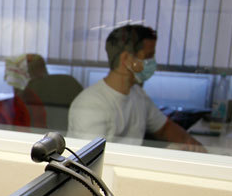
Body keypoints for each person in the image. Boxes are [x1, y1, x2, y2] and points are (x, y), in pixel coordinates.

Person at [68, 24, 205, 151]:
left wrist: (197, 149)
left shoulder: (138, 95)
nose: (152, 63)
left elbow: (164, 128)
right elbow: (90, 161)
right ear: (126, 59)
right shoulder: (91, 104)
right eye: (148, 57)